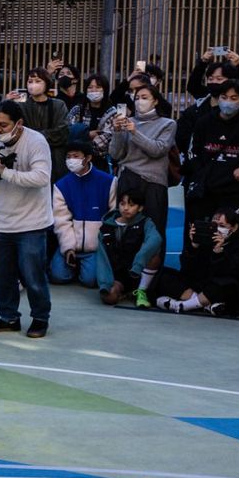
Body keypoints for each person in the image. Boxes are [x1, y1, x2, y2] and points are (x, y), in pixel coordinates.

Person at [0, 100, 56, 336]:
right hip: (1, 221)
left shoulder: (36, 141)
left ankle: (40, 318)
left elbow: (41, 178)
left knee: (33, 276)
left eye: (3, 125)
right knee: (2, 276)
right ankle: (8, 317)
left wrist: (5, 172)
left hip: (32, 222)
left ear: (18, 124)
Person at [178, 77, 239, 251]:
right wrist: (203, 173)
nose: (228, 102)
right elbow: (191, 152)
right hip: (205, 191)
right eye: (224, 97)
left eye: (234, 98)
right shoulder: (204, 122)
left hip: (235, 192)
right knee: (199, 236)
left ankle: (235, 274)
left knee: (236, 238)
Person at [105, 80, 175, 252]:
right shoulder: (128, 121)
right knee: (125, 228)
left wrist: (135, 132)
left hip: (153, 182)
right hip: (128, 178)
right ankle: (124, 272)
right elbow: (115, 154)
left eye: (145, 97)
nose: (139, 101)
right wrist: (117, 132)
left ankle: (150, 276)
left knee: (154, 231)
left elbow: (158, 149)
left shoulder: (167, 124)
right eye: (136, 98)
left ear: (155, 101)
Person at [154, 207, 239, 316]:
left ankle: (182, 306)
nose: (217, 229)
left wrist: (218, 252)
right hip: (199, 285)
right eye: (214, 225)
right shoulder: (205, 237)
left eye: (222, 226)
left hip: (220, 286)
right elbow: (186, 269)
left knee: (224, 285)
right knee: (162, 274)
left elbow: (230, 272)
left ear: (234, 228)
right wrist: (193, 246)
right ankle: (203, 304)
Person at [94, 184, 164, 308]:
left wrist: (138, 263)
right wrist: (105, 283)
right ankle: (125, 293)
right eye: (122, 204)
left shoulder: (145, 222)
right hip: (117, 276)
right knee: (109, 297)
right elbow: (102, 258)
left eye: (131, 205)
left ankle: (141, 291)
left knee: (155, 256)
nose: (126, 208)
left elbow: (155, 239)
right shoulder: (106, 226)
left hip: (138, 271)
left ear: (140, 208)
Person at [50, 146, 111, 286]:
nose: (71, 160)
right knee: (58, 277)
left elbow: (111, 217)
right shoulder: (61, 185)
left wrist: (102, 246)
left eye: (76, 156)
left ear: (88, 158)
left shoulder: (108, 182)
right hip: (70, 244)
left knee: (91, 281)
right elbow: (61, 220)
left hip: (95, 248)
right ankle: (71, 261)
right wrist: (68, 248)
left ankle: (85, 267)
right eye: (68, 156)